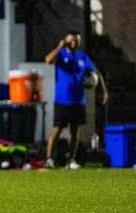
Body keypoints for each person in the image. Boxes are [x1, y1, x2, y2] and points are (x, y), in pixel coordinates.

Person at [44, 32, 108, 169]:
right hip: (62, 100)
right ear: (66, 41)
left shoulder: (83, 57)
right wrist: (59, 47)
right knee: (57, 129)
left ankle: (71, 160)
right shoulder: (61, 55)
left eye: (78, 40)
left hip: (78, 101)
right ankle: (49, 159)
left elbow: (96, 73)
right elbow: (48, 60)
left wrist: (104, 91)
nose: (75, 43)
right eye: (72, 40)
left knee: (75, 132)